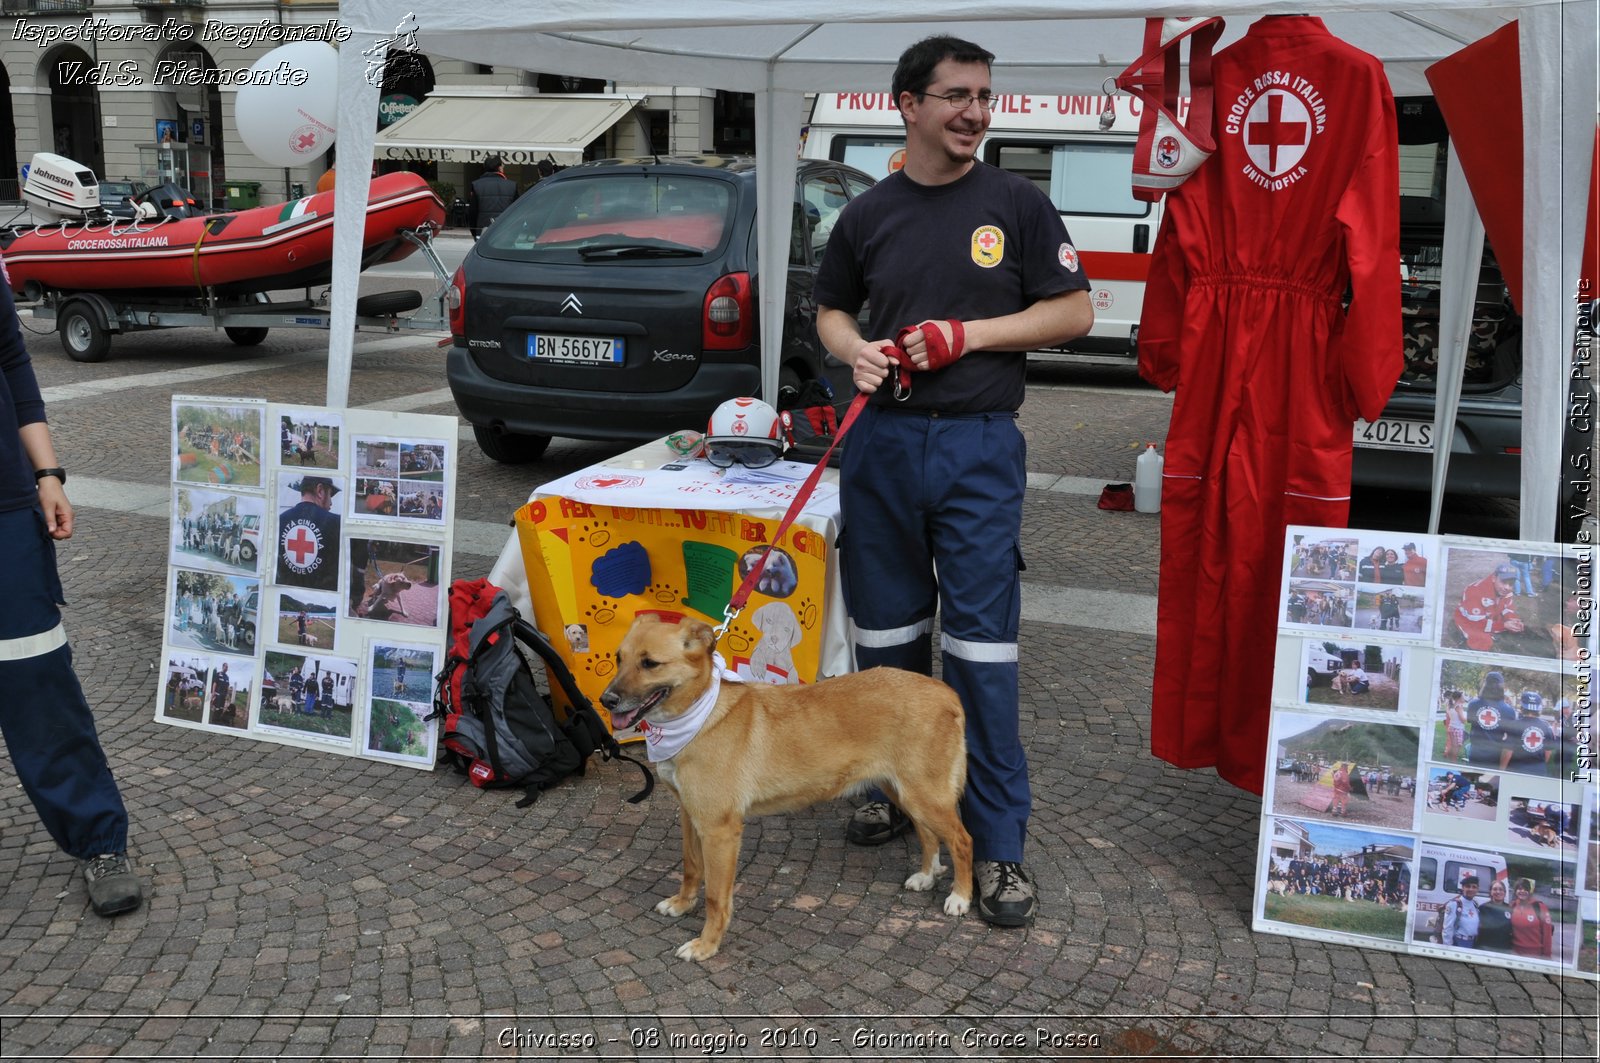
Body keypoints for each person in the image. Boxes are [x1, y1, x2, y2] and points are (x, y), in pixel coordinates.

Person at [813, 34, 1093, 928]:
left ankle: (999, 841)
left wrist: (964, 336)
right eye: (955, 96)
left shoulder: (1017, 202)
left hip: (976, 447)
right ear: (908, 104)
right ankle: (890, 790)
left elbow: (1077, 311)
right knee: (885, 639)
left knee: (981, 653)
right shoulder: (867, 214)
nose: (975, 111)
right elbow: (829, 309)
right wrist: (855, 349)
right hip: (882, 446)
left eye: (982, 95)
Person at [0, 260, 142, 916]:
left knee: (37, 677)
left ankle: (99, 838)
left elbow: (12, 361)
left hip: (4, 507)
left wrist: (48, 471)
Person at [276, 475, 341, 591]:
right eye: (330, 495)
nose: (331, 503)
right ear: (320, 491)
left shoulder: (279, 520)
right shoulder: (337, 523)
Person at [1452, 563, 1525, 651]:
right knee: (1483, 641)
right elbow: (1475, 624)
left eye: (1511, 584)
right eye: (1504, 582)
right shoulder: (1475, 592)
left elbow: (1507, 608)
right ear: (1494, 578)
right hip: (1468, 621)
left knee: (1517, 627)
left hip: (1490, 616)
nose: (1507, 587)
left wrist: (1512, 619)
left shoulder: (1505, 590)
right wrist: (1503, 625)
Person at [1464, 670, 1515, 767]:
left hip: (1475, 754)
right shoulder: (1509, 711)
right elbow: (1509, 738)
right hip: (1495, 756)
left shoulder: (1473, 704)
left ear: (1485, 684)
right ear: (1502, 687)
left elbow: (1470, 721)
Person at [1499, 690, 1556, 774]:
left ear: (1522, 707)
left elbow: (1507, 752)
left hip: (1516, 771)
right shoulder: (1547, 727)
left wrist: (1500, 772)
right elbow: (1547, 753)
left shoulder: (1514, 725)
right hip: (1539, 772)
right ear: (1539, 709)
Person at [468, 154, 517, 239]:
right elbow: (517, 211)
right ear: (499, 168)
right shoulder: (512, 186)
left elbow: (472, 212)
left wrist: (475, 232)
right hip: (507, 232)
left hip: (483, 231)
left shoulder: (476, 185)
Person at [1508, 878, 1554, 958]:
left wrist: (1547, 956)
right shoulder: (1512, 906)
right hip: (1515, 953)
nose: (1522, 891)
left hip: (1534, 955)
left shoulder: (1540, 907)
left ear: (1530, 891)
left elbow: (1547, 934)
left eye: (1525, 889)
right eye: (1519, 889)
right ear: (1515, 891)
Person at [1439, 875, 1482, 947]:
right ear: (1463, 888)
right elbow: (1447, 928)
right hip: (1459, 942)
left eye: (1474, 887)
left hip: (1472, 943)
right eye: (1468, 886)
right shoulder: (1454, 904)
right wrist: (1448, 947)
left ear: (1477, 889)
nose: (1471, 889)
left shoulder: (1475, 904)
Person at [1475, 879, 1513, 951]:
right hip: (1485, 948)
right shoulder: (1483, 908)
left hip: (1504, 949)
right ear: (1491, 892)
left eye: (1501, 889)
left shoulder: (1510, 909)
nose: (1498, 892)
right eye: (1495, 889)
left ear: (1504, 893)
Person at [1441, 688, 1467, 762]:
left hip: (1451, 727)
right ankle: (1453, 763)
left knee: (1453, 746)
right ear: (1459, 698)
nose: (1464, 698)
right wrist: (1467, 717)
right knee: (1456, 747)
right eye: (1463, 697)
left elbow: (1450, 717)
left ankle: (1448, 757)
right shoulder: (1459, 707)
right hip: (1457, 728)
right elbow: (1463, 720)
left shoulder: (1450, 706)